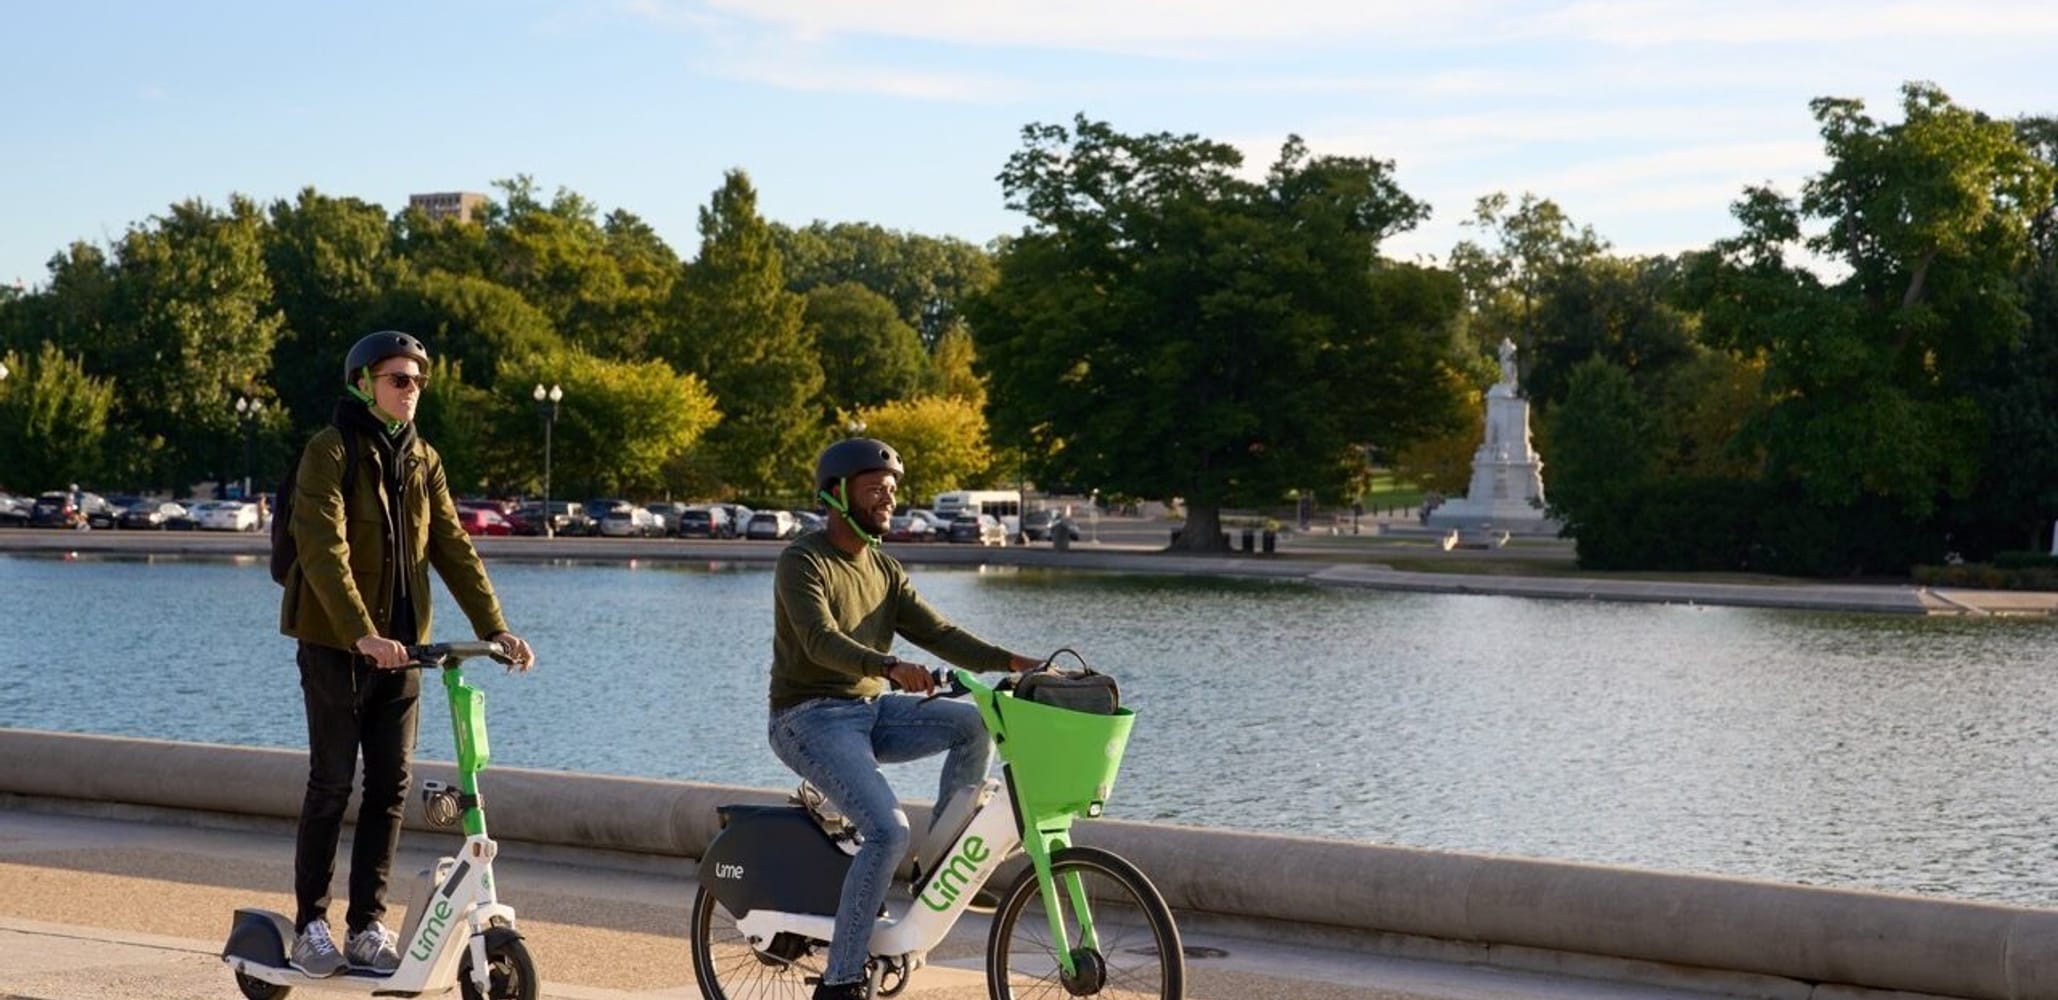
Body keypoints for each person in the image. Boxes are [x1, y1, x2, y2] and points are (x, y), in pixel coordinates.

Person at [278, 330, 536, 978]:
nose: (410, 390)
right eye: (397, 379)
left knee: (391, 787)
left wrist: (496, 629)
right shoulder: (329, 450)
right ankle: (311, 921)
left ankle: (366, 924)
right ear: (364, 384)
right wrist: (360, 631)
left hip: (404, 652)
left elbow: (452, 546)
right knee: (332, 783)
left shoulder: (424, 458)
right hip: (336, 646)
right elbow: (322, 549)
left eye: (417, 380)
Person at [768, 438, 1044, 1000]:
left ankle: (936, 863)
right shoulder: (803, 560)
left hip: (871, 712)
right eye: (875, 490)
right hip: (808, 718)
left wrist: (1016, 662)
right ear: (837, 495)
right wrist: (889, 666)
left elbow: (941, 633)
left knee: (971, 724)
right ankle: (840, 980)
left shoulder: (885, 570)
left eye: (892, 491)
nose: (887, 500)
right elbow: (820, 641)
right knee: (887, 830)